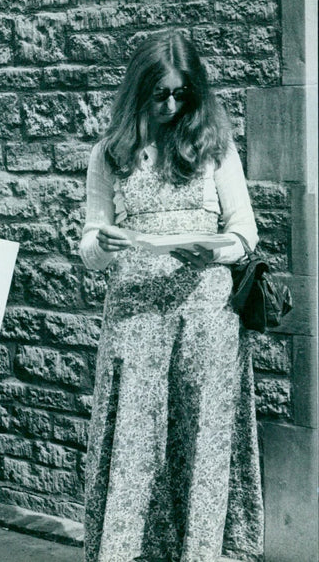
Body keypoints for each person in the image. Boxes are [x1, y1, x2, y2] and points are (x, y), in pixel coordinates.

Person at [79, 32, 263, 561]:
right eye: (158, 94)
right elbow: (91, 242)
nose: (170, 105)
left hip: (206, 315)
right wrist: (103, 244)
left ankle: (199, 553)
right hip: (136, 317)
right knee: (135, 439)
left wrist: (219, 251)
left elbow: (245, 231)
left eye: (181, 94)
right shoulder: (110, 155)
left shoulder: (214, 148)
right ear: (139, 91)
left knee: (201, 435)